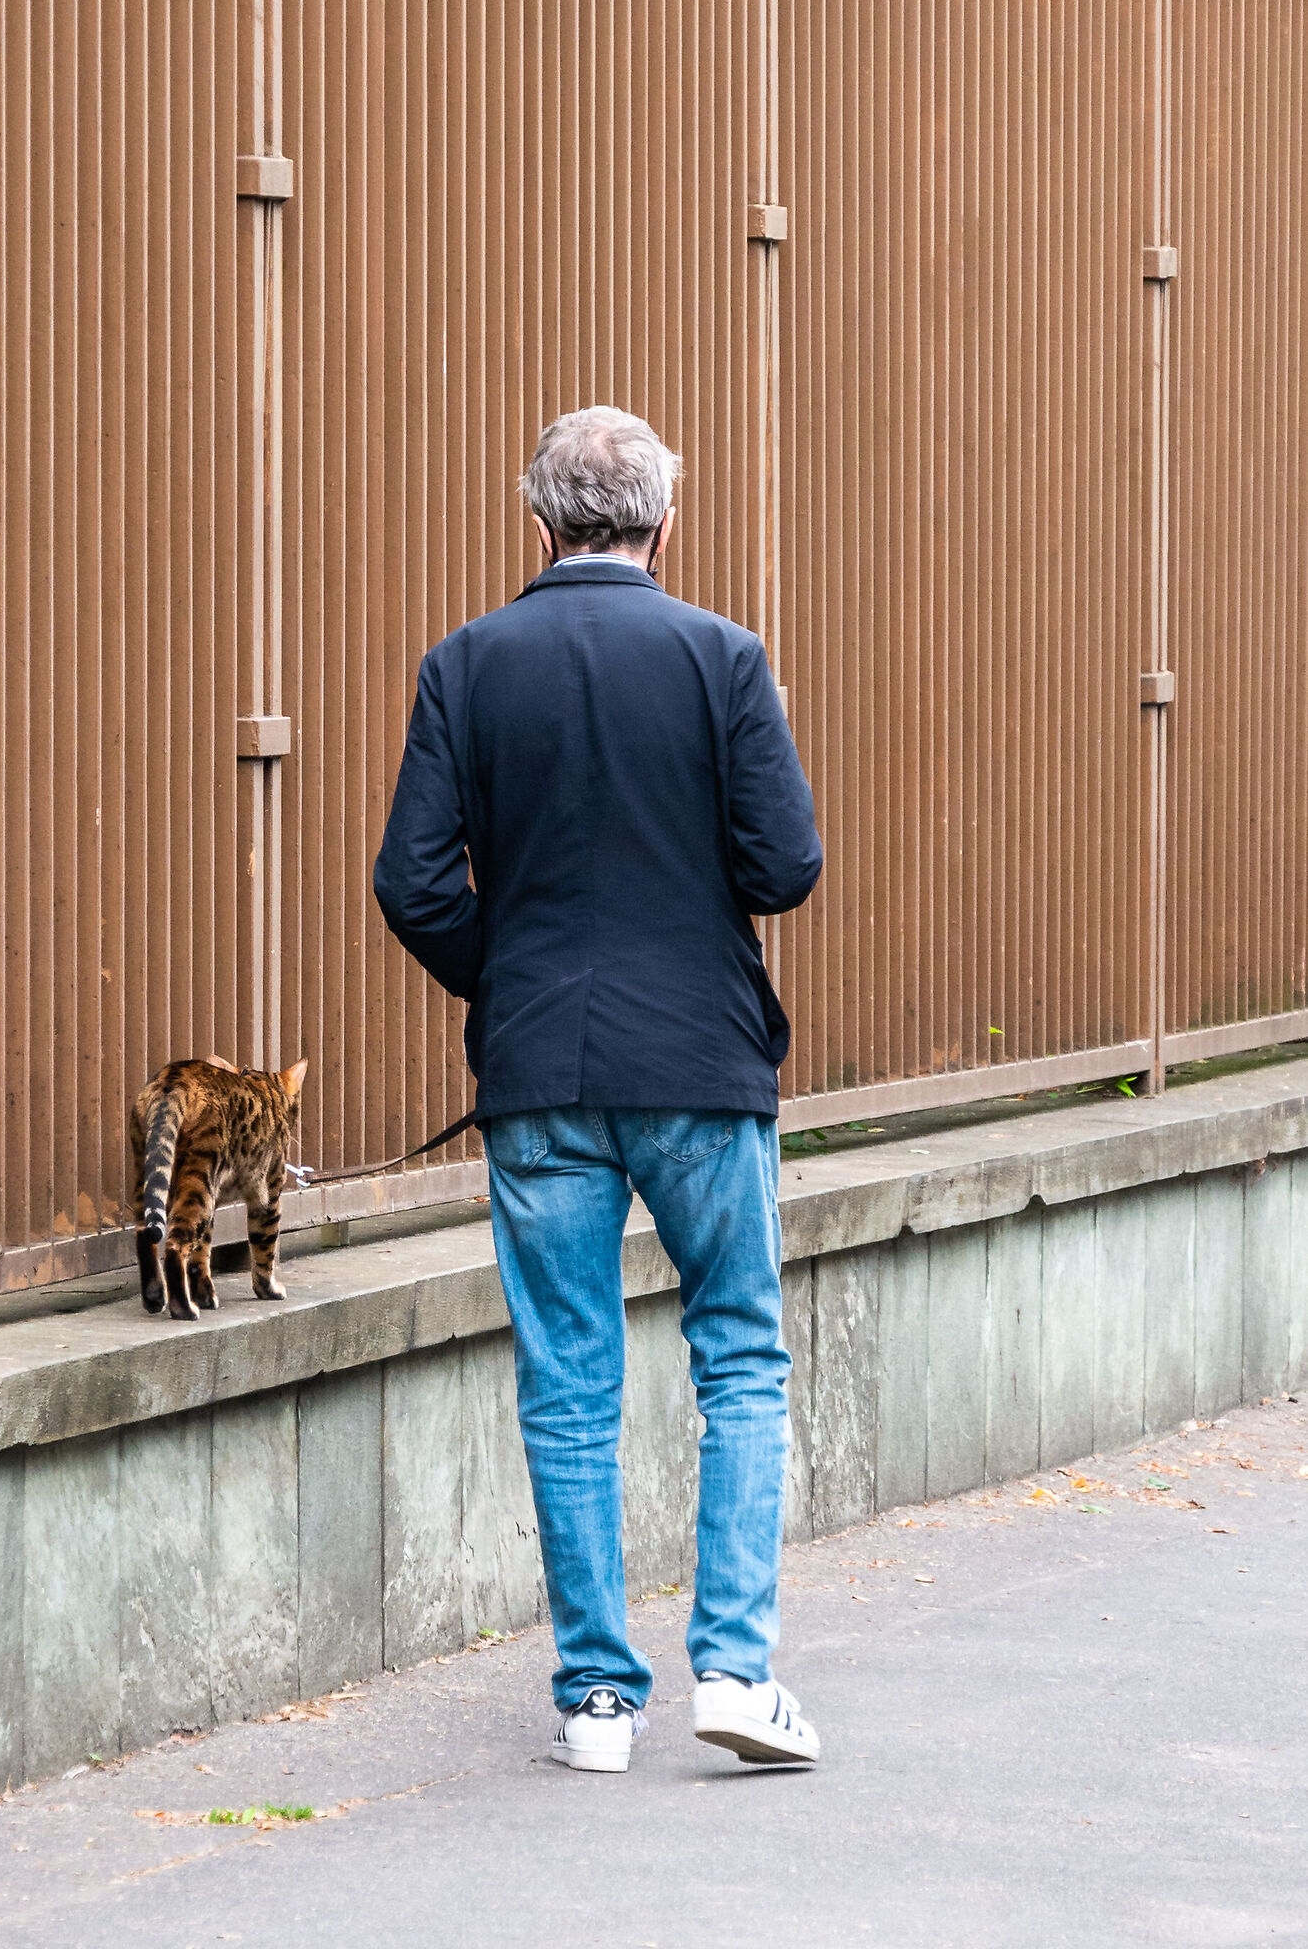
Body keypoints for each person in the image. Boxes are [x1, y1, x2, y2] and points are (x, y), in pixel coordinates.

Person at [373, 405, 824, 1775]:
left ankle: (594, 1704)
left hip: (538, 1078)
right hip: (698, 1063)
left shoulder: (464, 664)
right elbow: (781, 868)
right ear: (660, 525)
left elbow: (408, 881)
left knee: (567, 1382)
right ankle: (737, 1671)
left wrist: (501, 973)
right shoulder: (720, 658)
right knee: (737, 1359)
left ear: (539, 522)